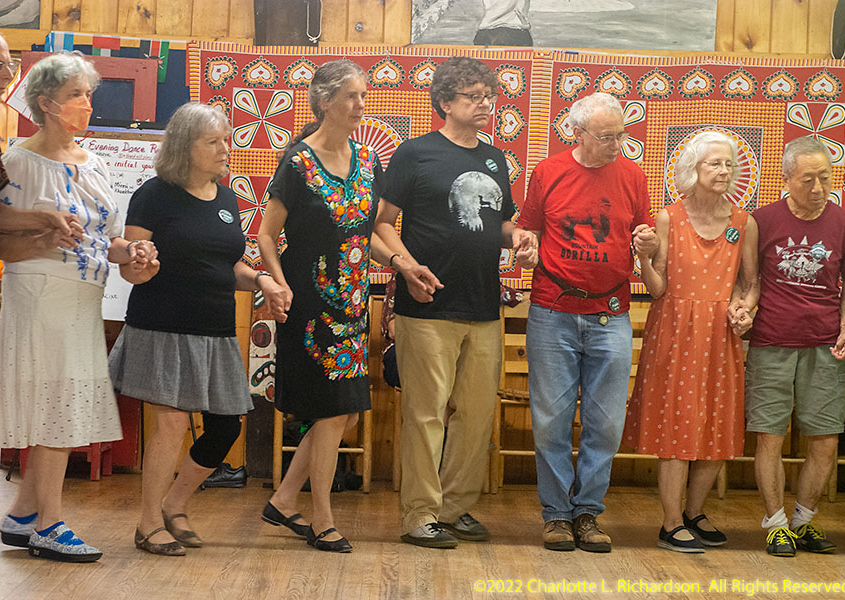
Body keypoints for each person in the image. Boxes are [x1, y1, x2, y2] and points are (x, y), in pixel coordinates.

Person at [0, 52, 157, 563]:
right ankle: (49, 524)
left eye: (89, 94)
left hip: (83, 296)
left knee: (64, 398)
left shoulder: (94, 163)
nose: (87, 104)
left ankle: (24, 513)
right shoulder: (19, 161)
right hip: (40, 293)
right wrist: (41, 230)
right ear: (47, 103)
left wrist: (132, 253)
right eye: (76, 94)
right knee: (57, 404)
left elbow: (108, 240)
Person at [373, 56, 537, 549]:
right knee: (426, 414)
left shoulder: (495, 159)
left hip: (483, 305)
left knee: (476, 413)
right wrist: (406, 267)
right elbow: (380, 224)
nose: (485, 104)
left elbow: (500, 223)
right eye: (473, 96)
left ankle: (454, 508)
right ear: (445, 102)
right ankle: (420, 514)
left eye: (490, 96)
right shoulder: (415, 154)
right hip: (427, 306)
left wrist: (519, 237)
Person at [108, 102, 275, 556]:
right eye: (213, 142)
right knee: (172, 423)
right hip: (163, 325)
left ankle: (175, 504)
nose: (226, 149)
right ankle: (147, 524)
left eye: (227, 140)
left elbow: (227, 266)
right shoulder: (154, 194)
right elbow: (131, 264)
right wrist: (140, 263)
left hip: (215, 329)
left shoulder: (225, 198)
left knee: (225, 428)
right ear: (185, 146)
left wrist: (261, 279)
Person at [516, 91, 657, 553]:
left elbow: (644, 233)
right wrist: (525, 248)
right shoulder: (548, 172)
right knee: (551, 421)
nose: (617, 144)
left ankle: (588, 513)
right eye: (606, 136)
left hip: (611, 312)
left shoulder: (633, 176)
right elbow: (528, 228)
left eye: (621, 135)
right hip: (552, 311)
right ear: (577, 133)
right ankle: (557, 515)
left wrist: (647, 242)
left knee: (607, 423)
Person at [258, 59, 389, 554]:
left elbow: (364, 235)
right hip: (309, 304)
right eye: (352, 96)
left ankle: (283, 500)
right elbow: (267, 235)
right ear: (325, 101)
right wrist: (279, 284)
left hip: (354, 304)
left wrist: (400, 263)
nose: (361, 105)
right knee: (332, 414)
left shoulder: (368, 160)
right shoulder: (297, 163)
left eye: (363, 95)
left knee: (346, 414)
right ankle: (322, 519)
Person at [622, 131, 758, 553]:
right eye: (714, 163)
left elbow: (750, 283)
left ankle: (695, 514)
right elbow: (657, 288)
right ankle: (670, 523)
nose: (724, 171)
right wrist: (643, 257)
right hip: (675, 330)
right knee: (676, 428)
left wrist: (744, 308)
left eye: (728, 164)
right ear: (692, 169)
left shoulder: (744, 222)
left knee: (719, 426)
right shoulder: (668, 218)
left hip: (720, 335)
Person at [740, 136, 845, 557]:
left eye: (825, 177)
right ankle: (775, 524)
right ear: (786, 179)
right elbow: (748, 280)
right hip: (771, 342)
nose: (818, 188)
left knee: (825, 439)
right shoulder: (762, 221)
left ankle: (803, 520)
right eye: (808, 179)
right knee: (769, 436)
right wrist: (742, 310)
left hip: (826, 345)